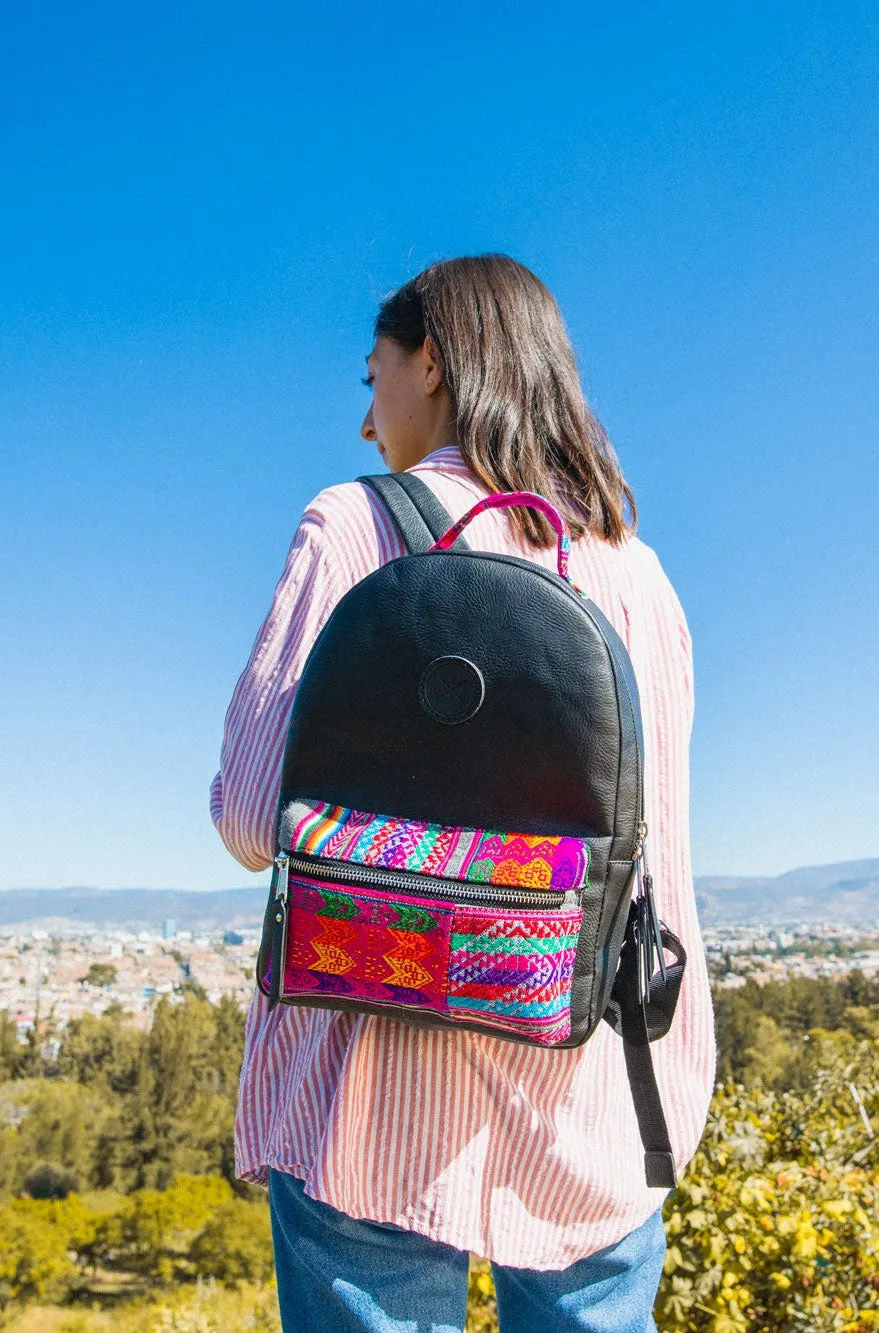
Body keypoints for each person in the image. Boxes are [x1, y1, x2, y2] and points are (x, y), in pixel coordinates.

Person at [211, 255, 714, 1332]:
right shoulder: (638, 573)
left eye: (370, 377)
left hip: (370, 1093)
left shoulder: (355, 527)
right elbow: (650, 853)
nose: (364, 420)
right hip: (590, 1088)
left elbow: (253, 823)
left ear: (431, 360)